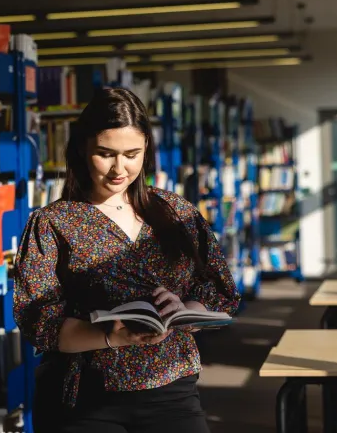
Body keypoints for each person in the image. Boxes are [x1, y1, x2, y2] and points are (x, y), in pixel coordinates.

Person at [13, 87, 240, 433]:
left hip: (172, 389)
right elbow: (40, 323)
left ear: (147, 147)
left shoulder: (177, 212)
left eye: (132, 154)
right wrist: (110, 336)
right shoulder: (53, 223)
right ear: (83, 149)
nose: (120, 168)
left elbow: (220, 289)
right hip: (89, 397)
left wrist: (183, 307)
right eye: (106, 154)